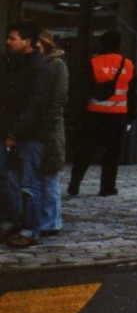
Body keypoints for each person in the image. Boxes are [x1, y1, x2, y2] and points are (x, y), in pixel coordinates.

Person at [0, 20, 53, 248]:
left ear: (27, 41)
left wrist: (16, 131)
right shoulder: (11, 63)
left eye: (13, 38)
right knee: (6, 180)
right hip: (8, 131)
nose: (8, 42)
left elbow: (35, 104)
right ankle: (11, 221)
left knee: (29, 184)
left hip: (29, 134)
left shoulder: (39, 68)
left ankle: (30, 230)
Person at [68, 30, 135, 198]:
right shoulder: (128, 64)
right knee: (111, 154)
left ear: (102, 44)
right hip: (118, 115)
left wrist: (78, 115)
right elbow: (134, 93)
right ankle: (107, 188)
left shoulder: (93, 63)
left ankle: (74, 185)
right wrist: (131, 117)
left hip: (94, 114)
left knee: (85, 152)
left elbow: (82, 90)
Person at [37, 30, 68, 237]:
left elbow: (59, 97)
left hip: (49, 127)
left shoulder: (56, 65)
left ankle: (51, 221)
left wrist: (50, 123)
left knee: (49, 175)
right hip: (36, 127)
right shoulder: (35, 64)